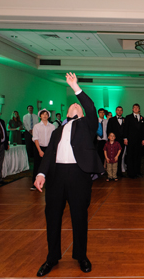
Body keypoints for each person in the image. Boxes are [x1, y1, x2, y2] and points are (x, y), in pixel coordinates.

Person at [33, 73, 102, 276]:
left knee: (79, 217)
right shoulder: (57, 130)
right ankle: (51, 258)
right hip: (56, 177)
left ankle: (81, 256)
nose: (75, 105)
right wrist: (41, 174)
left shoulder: (87, 126)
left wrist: (76, 88)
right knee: (52, 217)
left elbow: (90, 108)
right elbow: (48, 155)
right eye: (73, 105)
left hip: (79, 175)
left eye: (77, 106)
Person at [31, 109, 56, 190]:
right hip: (39, 147)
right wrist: (39, 150)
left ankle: (50, 183)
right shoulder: (36, 126)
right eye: (43, 114)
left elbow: (53, 139)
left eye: (46, 114)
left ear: (48, 116)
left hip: (49, 148)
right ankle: (35, 184)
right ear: (40, 116)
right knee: (37, 165)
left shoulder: (52, 126)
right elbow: (36, 139)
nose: (45, 115)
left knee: (50, 165)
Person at [123, 104, 144, 178]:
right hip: (130, 140)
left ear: (139, 109)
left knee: (138, 156)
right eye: (134, 108)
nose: (136, 109)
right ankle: (131, 173)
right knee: (130, 156)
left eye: (137, 108)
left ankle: (138, 172)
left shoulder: (142, 118)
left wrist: (143, 139)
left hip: (139, 141)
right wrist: (125, 138)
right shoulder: (128, 117)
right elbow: (125, 128)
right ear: (132, 109)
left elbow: (143, 130)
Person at [107, 106, 125, 178]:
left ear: (122, 111)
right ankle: (112, 173)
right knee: (113, 156)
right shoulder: (111, 120)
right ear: (115, 111)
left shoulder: (125, 119)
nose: (119, 112)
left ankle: (119, 172)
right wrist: (110, 140)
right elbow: (109, 130)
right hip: (113, 141)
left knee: (120, 157)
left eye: (121, 110)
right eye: (118, 110)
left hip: (122, 141)